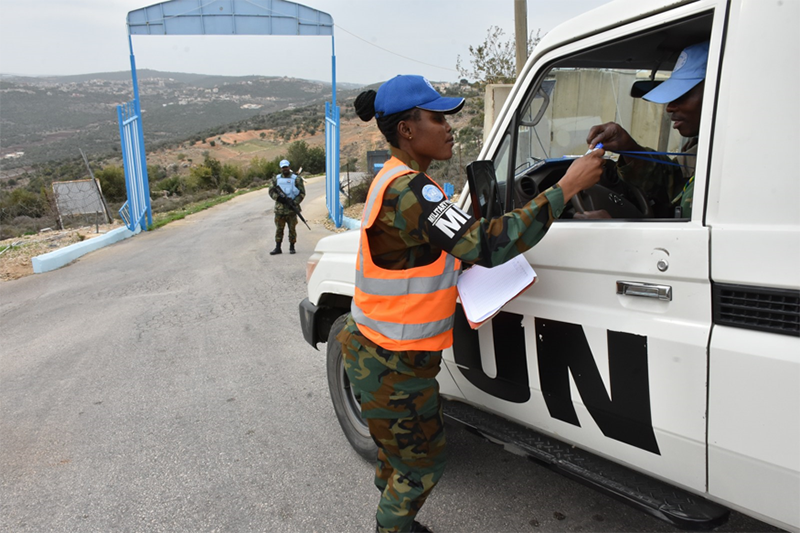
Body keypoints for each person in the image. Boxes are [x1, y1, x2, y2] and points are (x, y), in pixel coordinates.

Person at [335, 74, 606, 533]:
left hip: (377, 352)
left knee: (397, 455)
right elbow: (485, 244)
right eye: (438, 118)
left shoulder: (398, 180)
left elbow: (428, 253)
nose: (449, 127)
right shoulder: (411, 190)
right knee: (421, 466)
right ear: (407, 130)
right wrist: (567, 187)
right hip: (393, 361)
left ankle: (396, 521)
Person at [583, 41, 709, 218]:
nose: (670, 107)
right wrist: (629, 148)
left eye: (684, 95)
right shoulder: (703, 148)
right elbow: (674, 182)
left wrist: (612, 230)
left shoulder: (734, 166)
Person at [268, 159, 305, 255]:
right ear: (281, 168)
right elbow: (271, 191)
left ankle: (292, 247)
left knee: (292, 229)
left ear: (289, 167)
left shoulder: (296, 179)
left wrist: (294, 202)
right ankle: (278, 247)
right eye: (283, 167)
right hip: (279, 210)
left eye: (286, 167)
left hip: (292, 210)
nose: (285, 169)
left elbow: (302, 193)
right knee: (279, 229)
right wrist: (279, 199)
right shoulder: (276, 179)